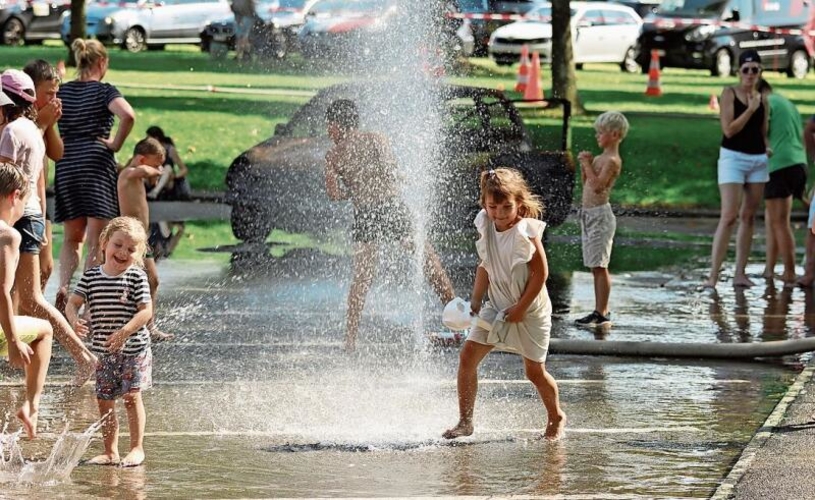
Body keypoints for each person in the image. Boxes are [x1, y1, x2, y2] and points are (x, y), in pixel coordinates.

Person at [442, 168, 565, 441]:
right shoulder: (485, 224)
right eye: (492, 206)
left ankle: (555, 417)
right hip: (496, 305)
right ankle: (465, 421)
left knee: (534, 371)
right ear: (484, 204)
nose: (499, 213)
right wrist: (475, 301)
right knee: (467, 358)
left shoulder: (525, 230)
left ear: (519, 203)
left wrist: (521, 307)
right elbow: (485, 266)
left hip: (531, 310)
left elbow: (540, 273)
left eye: (506, 207)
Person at [324, 99, 455, 351]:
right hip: (392, 207)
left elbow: (334, 194)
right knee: (426, 260)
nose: (329, 132)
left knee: (362, 276)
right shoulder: (376, 138)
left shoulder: (333, 156)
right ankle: (461, 319)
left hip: (364, 214)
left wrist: (352, 190)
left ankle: (350, 340)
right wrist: (398, 178)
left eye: (329, 126)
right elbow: (389, 169)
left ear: (337, 124)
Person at [0, 69, 97, 386]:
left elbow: (5, 181)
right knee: (24, 296)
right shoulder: (30, 127)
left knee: (30, 298)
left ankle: (83, 357)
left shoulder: (12, 132)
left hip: (18, 216)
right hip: (31, 214)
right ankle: (22, 353)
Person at [54, 38, 136, 315]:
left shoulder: (62, 91)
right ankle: (87, 304)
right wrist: (115, 145)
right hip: (95, 163)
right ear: (101, 63)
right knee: (97, 240)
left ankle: (64, 286)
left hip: (66, 162)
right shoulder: (104, 91)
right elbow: (128, 115)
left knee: (70, 238)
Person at [66, 216, 153, 467]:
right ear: (104, 243)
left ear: (138, 254)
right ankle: (110, 451)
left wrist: (125, 331)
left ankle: (137, 448)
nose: (123, 252)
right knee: (104, 400)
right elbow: (73, 303)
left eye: (130, 249)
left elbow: (145, 311)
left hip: (134, 349)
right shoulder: (92, 276)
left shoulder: (136, 277)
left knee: (132, 396)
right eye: (118, 245)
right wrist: (73, 320)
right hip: (104, 351)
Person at [704, 49, 770, 289]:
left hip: (757, 159)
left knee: (749, 216)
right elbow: (729, 130)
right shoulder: (729, 93)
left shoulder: (763, 98)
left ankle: (740, 273)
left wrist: (766, 146)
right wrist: (750, 109)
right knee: (729, 215)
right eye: (746, 69)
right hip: (733, 157)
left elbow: (763, 130)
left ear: (761, 72)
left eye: (755, 69)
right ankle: (713, 274)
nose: (750, 74)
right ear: (738, 71)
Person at [0, 162, 53, 439]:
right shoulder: (8, 235)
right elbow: (1, 291)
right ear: (14, 197)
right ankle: (31, 406)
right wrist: (12, 340)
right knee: (44, 330)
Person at [574, 111, 628, 327]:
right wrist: (584, 166)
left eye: (601, 132)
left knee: (600, 264)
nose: (597, 136)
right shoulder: (599, 158)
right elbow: (586, 182)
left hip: (600, 216)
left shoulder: (613, 161)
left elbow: (598, 187)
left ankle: (601, 311)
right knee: (593, 263)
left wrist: (587, 163)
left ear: (614, 134)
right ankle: (598, 309)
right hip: (588, 214)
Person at [117, 137, 173, 341]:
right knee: (139, 281)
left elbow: (144, 171)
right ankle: (134, 325)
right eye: (156, 163)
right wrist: (157, 172)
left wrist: (154, 171)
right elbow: (142, 171)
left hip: (141, 239)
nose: (158, 169)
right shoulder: (128, 174)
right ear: (141, 159)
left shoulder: (136, 178)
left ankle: (147, 325)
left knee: (150, 280)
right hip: (130, 239)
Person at [756, 79, 807, 285]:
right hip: (798, 162)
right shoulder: (788, 103)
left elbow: (761, 133)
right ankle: (769, 268)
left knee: (779, 223)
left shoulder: (765, 104)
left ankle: (789, 271)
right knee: (773, 220)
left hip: (779, 164)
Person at [23, 59, 63, 292]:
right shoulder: (22, 121)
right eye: (48, 93)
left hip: (41, 204)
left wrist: (50, 124)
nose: (54, 99)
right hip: (23, 203)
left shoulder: (44, 119)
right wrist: (42, 123)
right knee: (24, 273)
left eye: (56, 93)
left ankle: (25, 315)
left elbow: (57, 154)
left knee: (45, 268)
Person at [145, 126, 191, 201]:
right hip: (152, 178)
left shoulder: (170, 149)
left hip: (166, 180)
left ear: (156, 139)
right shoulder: (148, 150)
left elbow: (184, 169)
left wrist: (175, 176)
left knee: (168, 168)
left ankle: (155, 192)